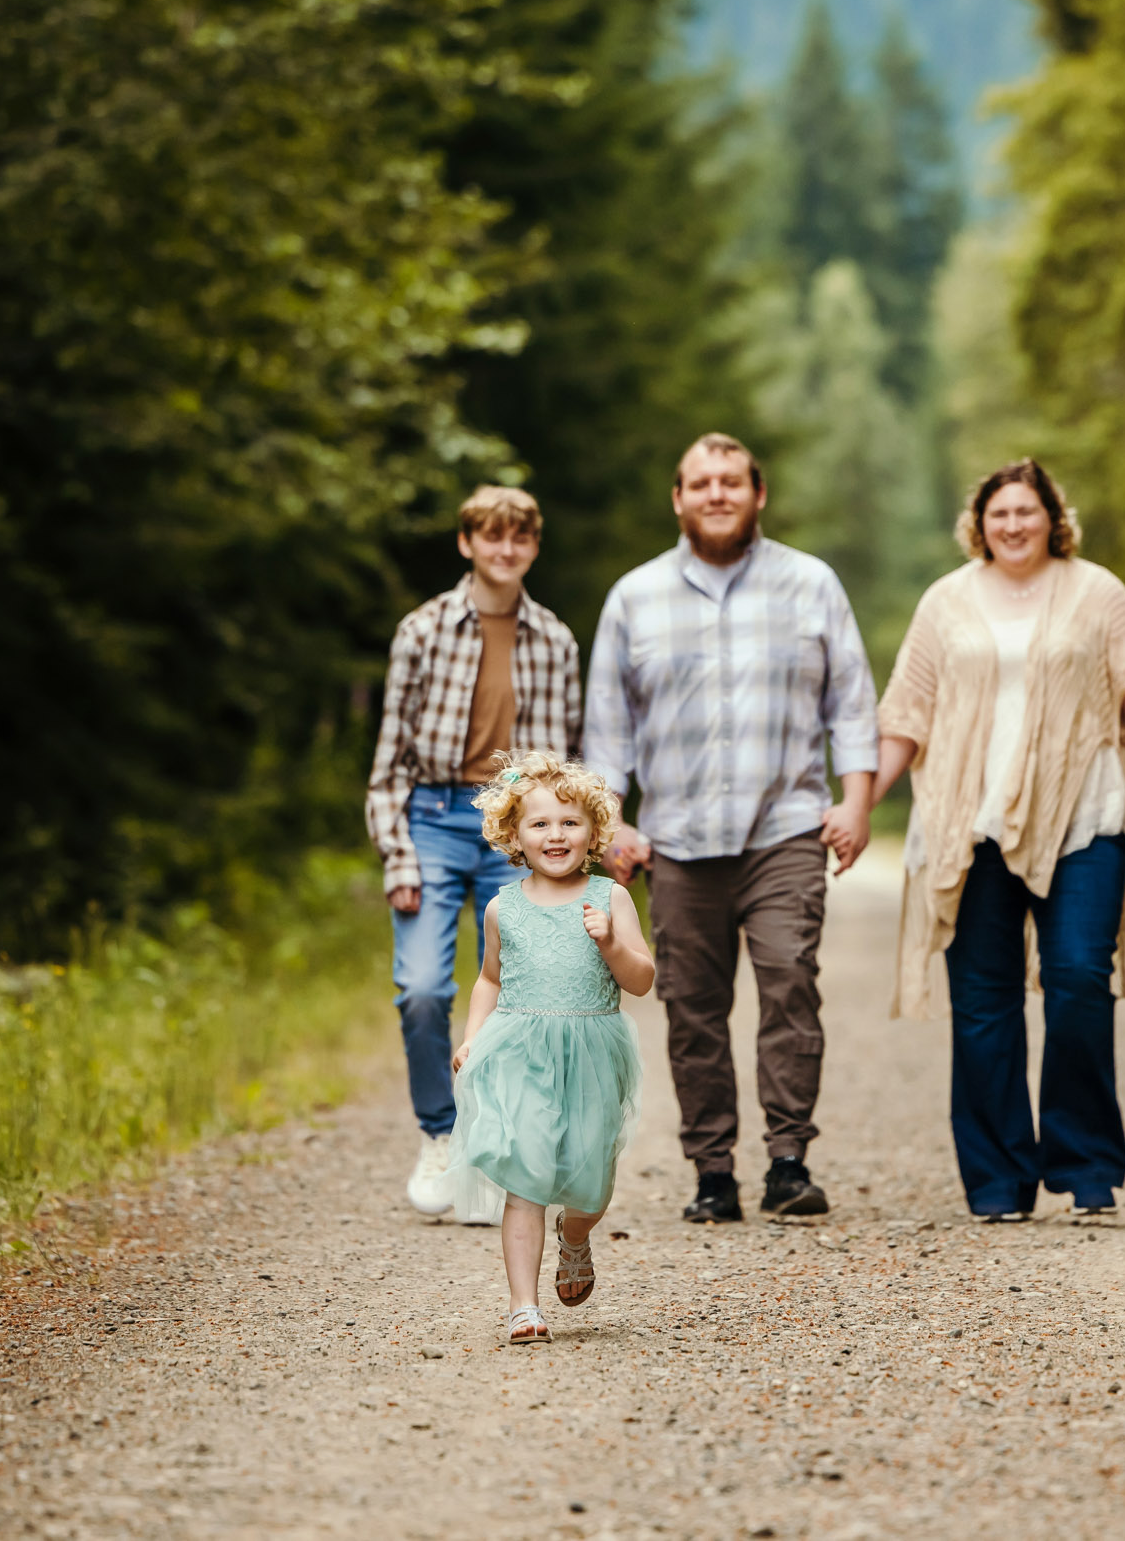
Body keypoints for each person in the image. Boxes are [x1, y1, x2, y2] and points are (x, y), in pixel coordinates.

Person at [871, 458, 1125, 1221]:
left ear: (1053, 518)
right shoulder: (945, 601)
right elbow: (905, 718)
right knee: (984, 1000)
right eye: (998, 513)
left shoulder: (1099, 592)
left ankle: (1084, 1167)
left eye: (1026, 511)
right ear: (979, 524)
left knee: (1079, 977)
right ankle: (997, 1180)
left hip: (1084, 816)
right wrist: (858, 808)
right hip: (968, 822)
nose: (1012, 524)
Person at [585, 432, 879, 1225]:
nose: (717, 493)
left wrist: (855, 803)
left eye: (732, 482)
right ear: (678, 499)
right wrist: (610, 824)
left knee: (789, 984)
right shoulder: (634, 598)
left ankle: (789, 1161)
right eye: (701, 483)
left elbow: (851, 702)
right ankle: (712, 1171)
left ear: (758, 495)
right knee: (693, 1006)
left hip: (784, 829)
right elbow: (607, 731)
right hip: (677, 841)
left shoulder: (810, 584)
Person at [364, 486, 582, 1218]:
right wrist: (398, 854)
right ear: (467, 543)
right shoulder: (422, 630)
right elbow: (389, 756)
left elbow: (566, 763)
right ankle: (441, 1134)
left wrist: (560, 848)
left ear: (533, 546)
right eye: (491, 536)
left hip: (514, 826)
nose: (505, 548)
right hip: (430, 816)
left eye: (519, 537)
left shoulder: (554, 640)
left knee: (528, 991)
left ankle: (502, 1149)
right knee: (423, 987)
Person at [436, 751, 653, 1345]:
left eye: (569, 822)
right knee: (526, 1177)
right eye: (540, 824)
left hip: (590, 1052)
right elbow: (489, 980)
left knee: (591, 1185)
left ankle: (577, 1237)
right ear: (514, 834)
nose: (555, 835)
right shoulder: (503, 907)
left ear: (593, 833)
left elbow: (641, 980)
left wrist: (611, 945)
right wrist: (473, 1036)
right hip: (521, 1050)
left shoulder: (610, 899)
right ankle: (523, 1306)